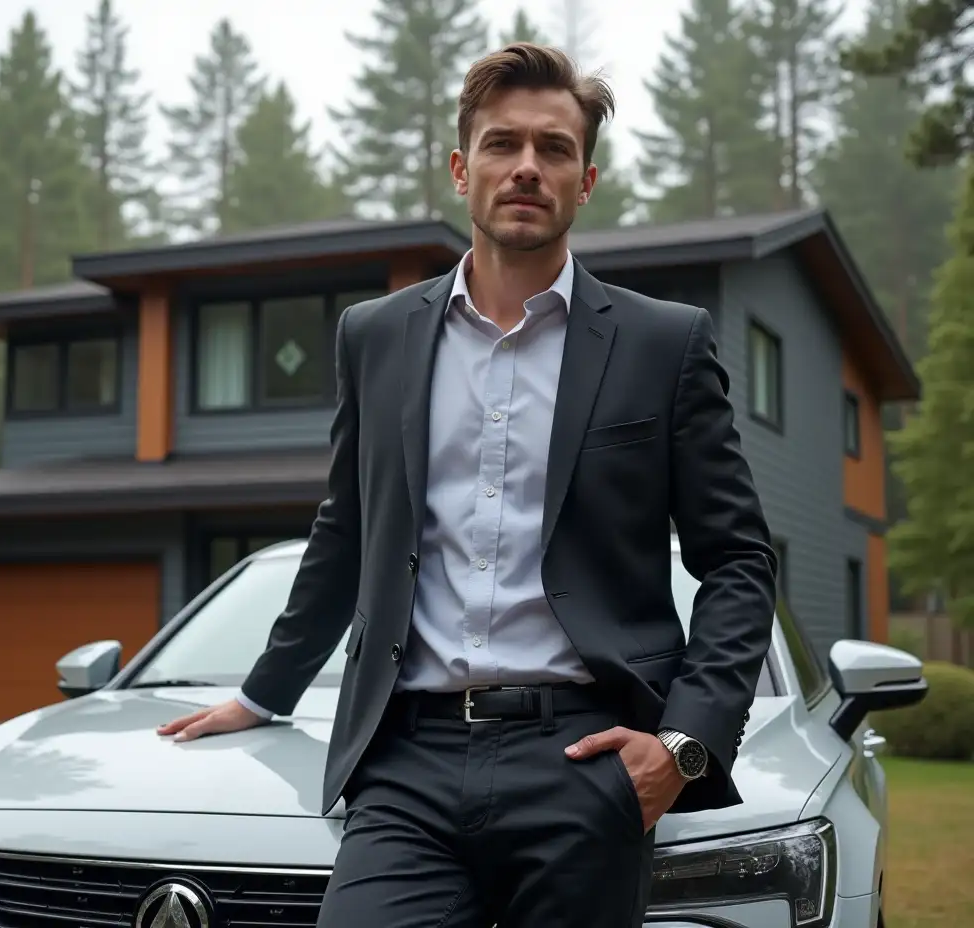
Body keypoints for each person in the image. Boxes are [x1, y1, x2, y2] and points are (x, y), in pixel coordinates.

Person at [156, 41, 778, 928]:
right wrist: (265, 693)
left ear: (586, 179)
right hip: (407, 757)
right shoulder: (375, 338)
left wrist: (680, 747)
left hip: (585, 755)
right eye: (502, 144)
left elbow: (739, 560)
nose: (526, 166)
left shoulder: (662, 343)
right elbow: (347, 531)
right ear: (461, 167)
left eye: (554, 148)